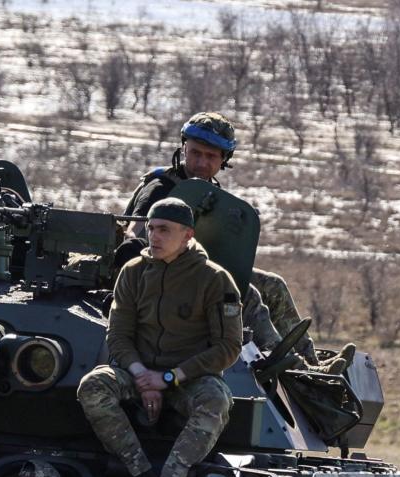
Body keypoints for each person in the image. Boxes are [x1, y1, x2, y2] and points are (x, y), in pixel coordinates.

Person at [123, 112, 353, 371]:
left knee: (273, 285)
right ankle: (291, 365)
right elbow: (134, 234)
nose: (200, 162)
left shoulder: (210, 193)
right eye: (195, 153)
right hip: (163, 274)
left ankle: (312, 362)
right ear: (183, 148)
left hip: (197, 268)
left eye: (210, 156)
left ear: (224, 160)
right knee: (245, 292)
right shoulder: (162, 187)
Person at [77, 199, 243, 477]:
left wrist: (168, 378)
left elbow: (228, 347)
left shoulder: (215, 280)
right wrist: (142, 376)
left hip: (188, 379)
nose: (154, 236)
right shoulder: (133, 273)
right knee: (93, 385)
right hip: (138, 373)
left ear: (187, 235)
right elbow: (118, 335)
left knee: (216, 399)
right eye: (151, 228)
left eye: (164, 230)